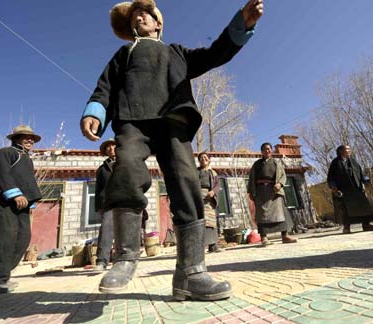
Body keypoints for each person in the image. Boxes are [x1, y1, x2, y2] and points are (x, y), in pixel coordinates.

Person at [80, 0, 263, 301]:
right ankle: (125, 257)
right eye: (135, 17)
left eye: (145, 14)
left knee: (187, 184)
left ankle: (191, 273)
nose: (139, 18)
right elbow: (105, 88)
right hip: (132, 122)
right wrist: (95, 112)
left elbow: (214, 54)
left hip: (173, 122)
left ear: (158, 24)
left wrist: (243, 24)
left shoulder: (175, 52)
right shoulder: (124, 54)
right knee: (125, 167)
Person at [0, 125, 42, 295]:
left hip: (22, 205)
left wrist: (30, 202)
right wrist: (15, 194)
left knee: (23, 238)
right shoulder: (6, 153)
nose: (30, 140)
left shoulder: (27, 158)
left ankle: (3, 276)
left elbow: (28, 182)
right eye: (25, 137)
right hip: (3, 203)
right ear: (15, 138)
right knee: (6, 239)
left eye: (32, 138)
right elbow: (1, 175)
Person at [247, 142, 297, 247]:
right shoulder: (256, 165)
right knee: (262, 215)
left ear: (271, 150)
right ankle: (264, 238)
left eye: (269, 149)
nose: (267, 150)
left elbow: (283, 175)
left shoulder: (276, 163)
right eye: (265, 149)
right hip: (261, 192)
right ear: (261, 151)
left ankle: (285, 236)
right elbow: (251, 179)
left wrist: (279, 184)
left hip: (275, 192)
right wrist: (251, 192)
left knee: (281, 213)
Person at [327, 144, 373, 234]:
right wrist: (333, 187)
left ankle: (366, 225)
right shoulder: (335, 163)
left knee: (364, 207)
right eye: (347, 149)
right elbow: (330, 177)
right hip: (344, 190)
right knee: (345, 209)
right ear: (341, 151)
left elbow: (361, 173)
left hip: (357, 189)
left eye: (349, 149)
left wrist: (366, 181)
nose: (349, 151)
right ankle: (346, 227)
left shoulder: (353, 161)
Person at [93, 138, 117, 271]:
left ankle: (121, 259)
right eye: (108, 147)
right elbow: (97, 190)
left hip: (126, 202)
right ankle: (102, 261)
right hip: (108, 204)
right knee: (106, 230)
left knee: (124, 232)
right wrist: (99, 207)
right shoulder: (102, 169)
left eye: (114, 146)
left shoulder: (127, 163)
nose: (111, 149)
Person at [197, 152, 222, 253]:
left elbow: (217, 185)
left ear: (209, 160)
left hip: (210, 198)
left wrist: (213, 192)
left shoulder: (213, 173)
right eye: (201, 158)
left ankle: (213, 246)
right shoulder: (195, 171)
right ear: (199, 161)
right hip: (198, 197)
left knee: (211, 221)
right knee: (200, 221)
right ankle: (200, 247)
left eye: (205, 157)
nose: (203, 159)